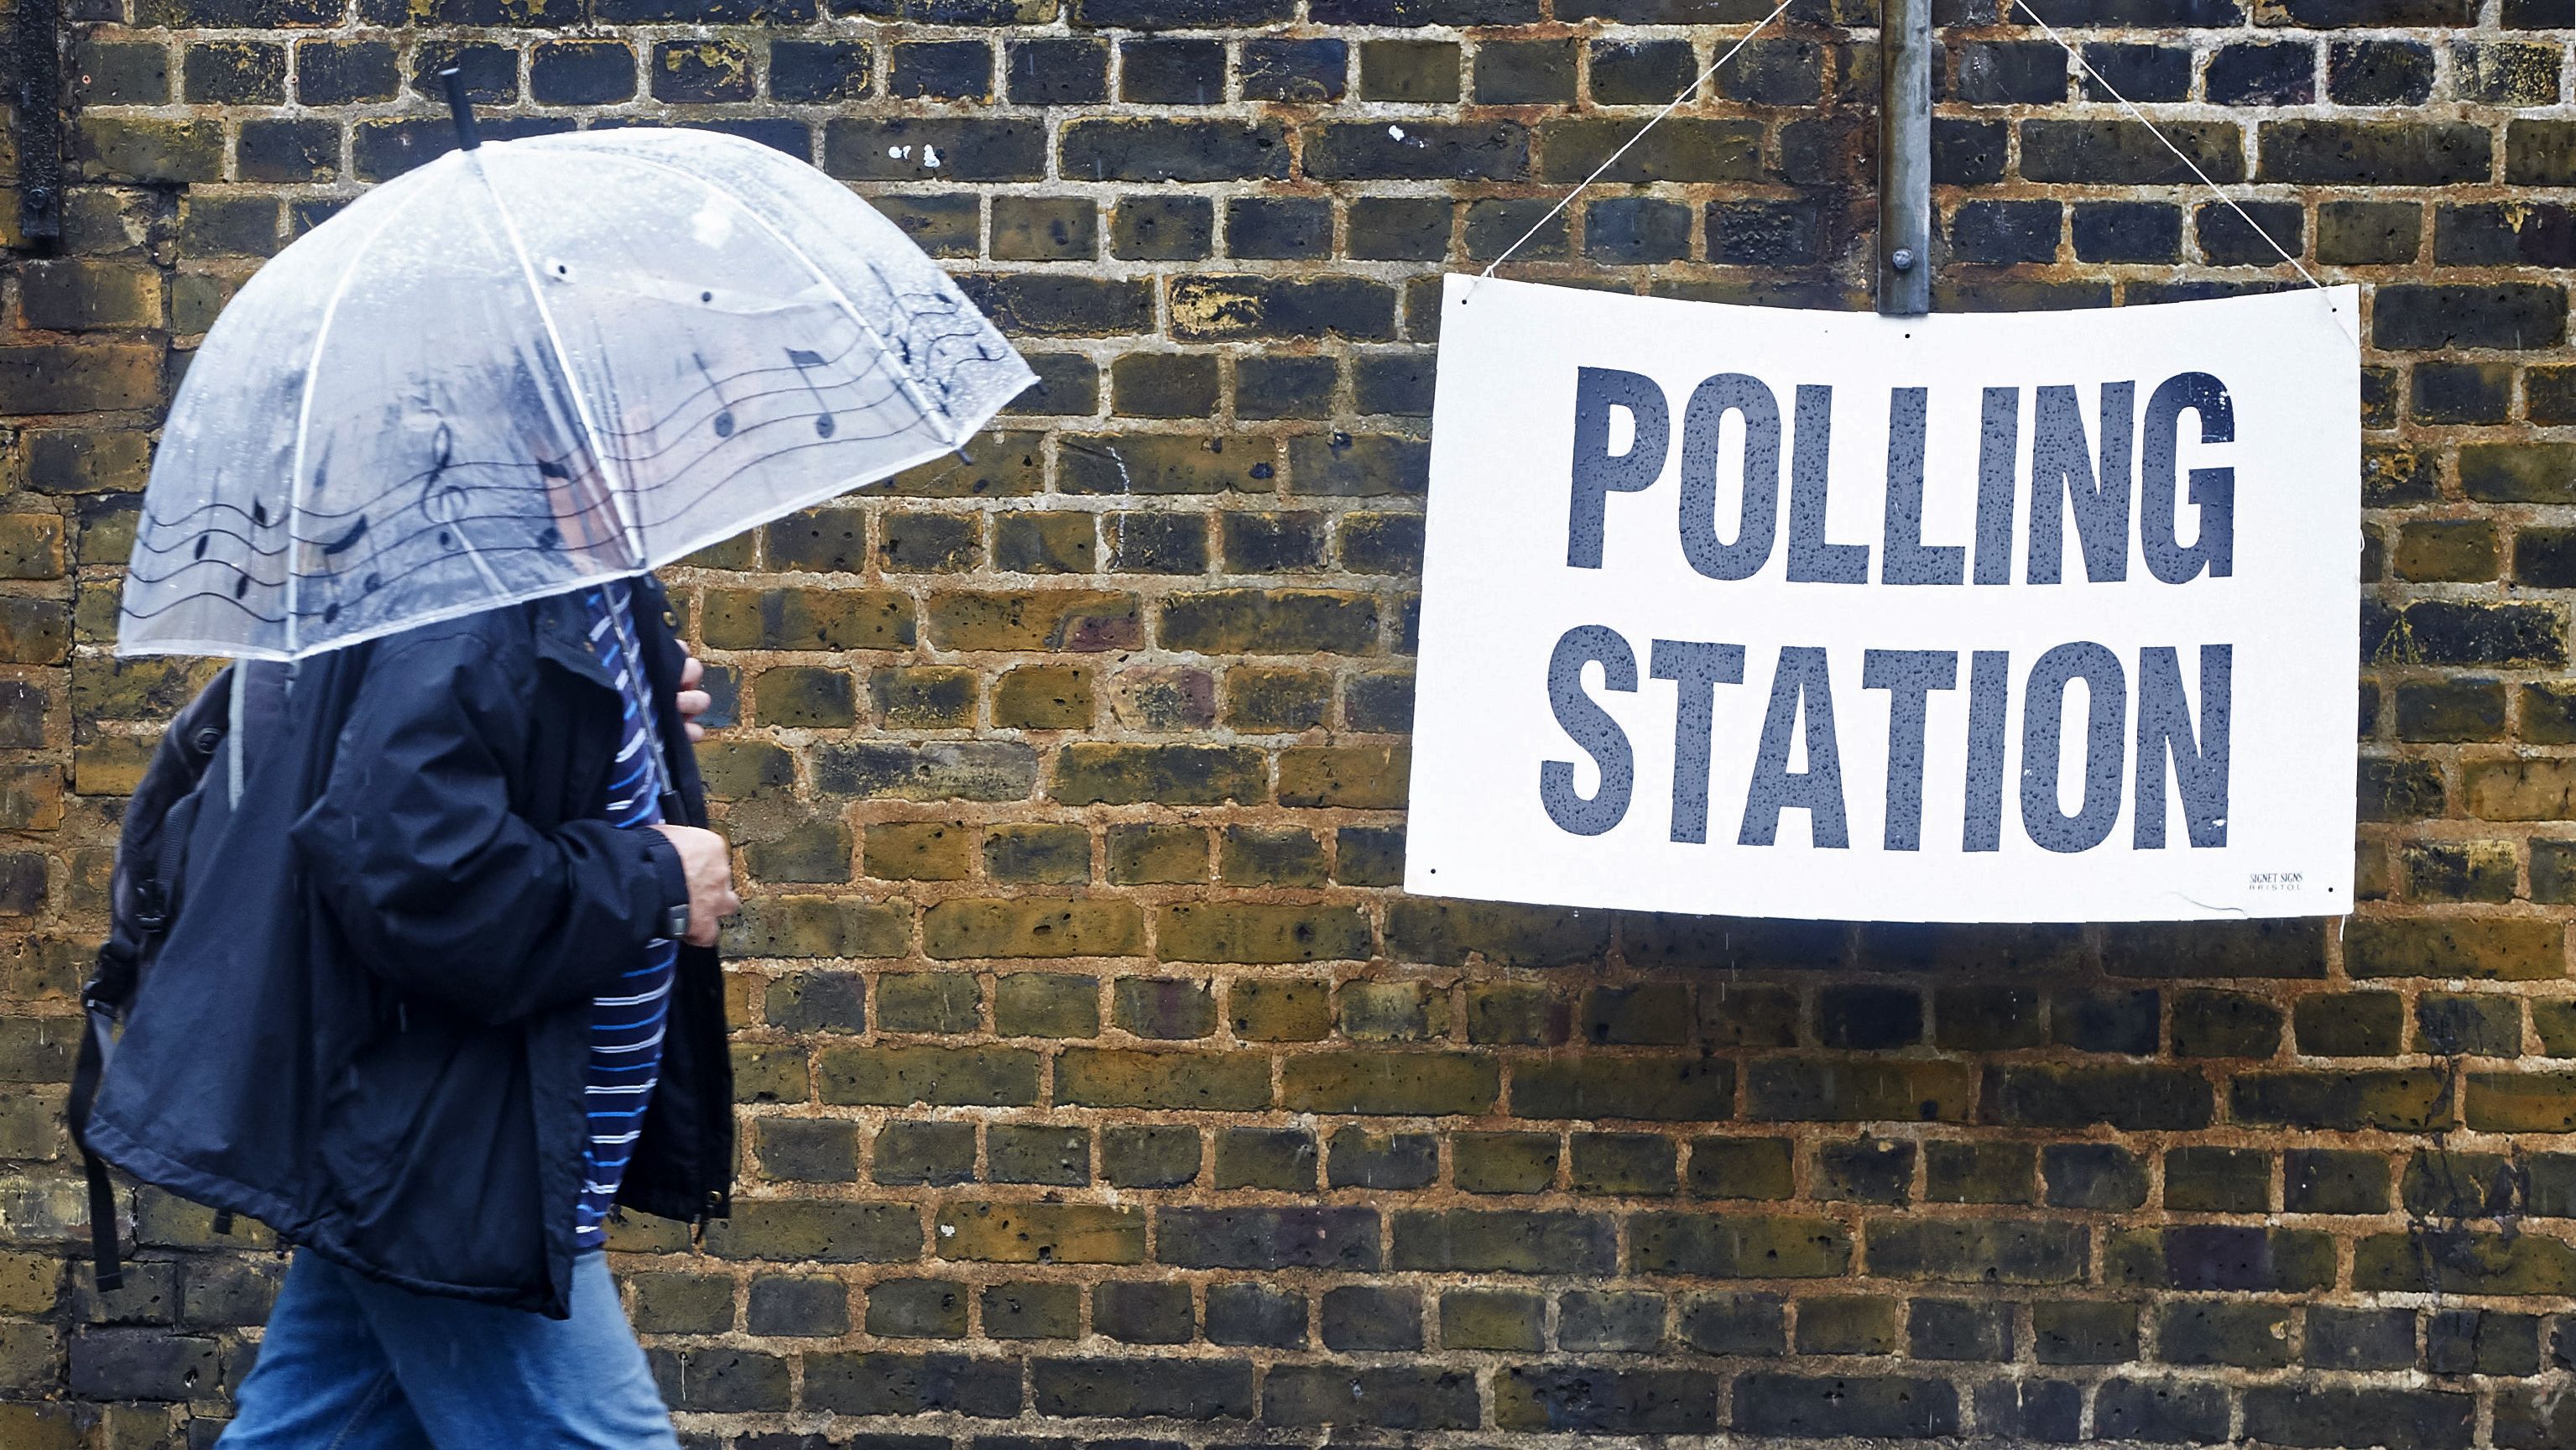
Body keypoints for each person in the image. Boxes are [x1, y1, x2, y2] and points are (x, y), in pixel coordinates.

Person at [81, 570, 739, 1448]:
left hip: (442, 1135)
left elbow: (500, 778)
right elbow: (415, 870)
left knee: (313, 1430)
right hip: (450, 1149)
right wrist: (656, 879)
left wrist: (622, 707)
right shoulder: (470, 600)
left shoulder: (581, 589)